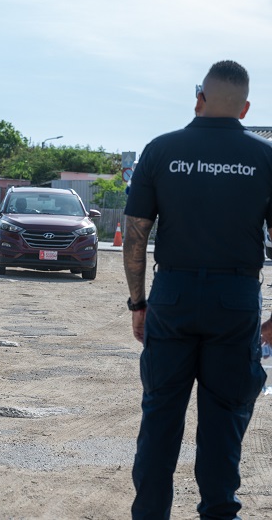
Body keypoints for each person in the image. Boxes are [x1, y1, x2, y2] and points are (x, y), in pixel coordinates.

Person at [123, 60, 272, 519]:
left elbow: (135, 234)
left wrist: (139, 303)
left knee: (160, 420)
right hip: (236, 302)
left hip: (173, 296)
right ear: (245, 108)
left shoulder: (162, 150)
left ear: (199, 98)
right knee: (224, 425)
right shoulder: (266, 158)